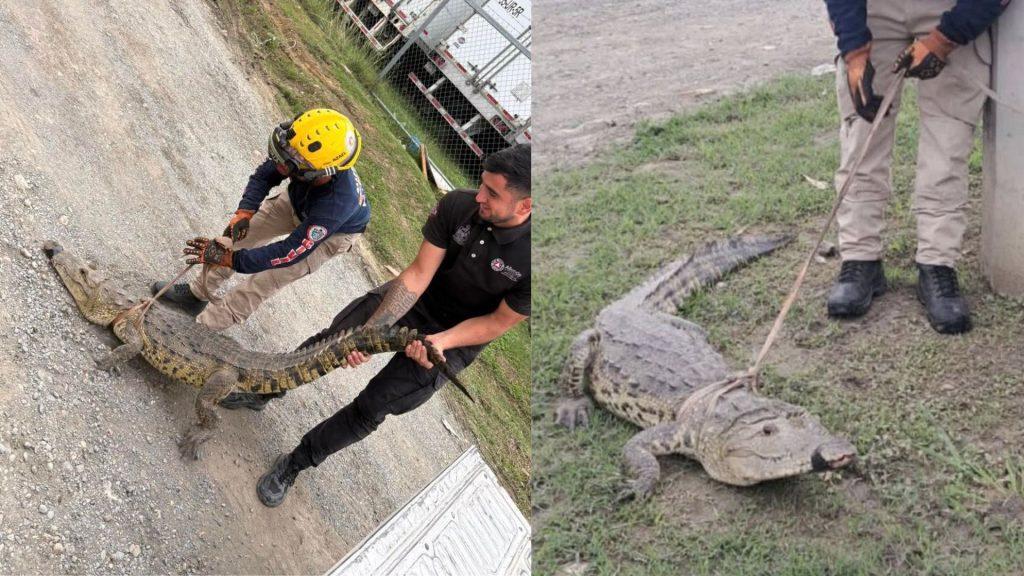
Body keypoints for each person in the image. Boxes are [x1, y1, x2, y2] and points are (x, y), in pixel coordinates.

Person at [249, 143, 532, 507]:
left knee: (373, 407)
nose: (480, 196)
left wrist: (440, 343)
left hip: (459, 336)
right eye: (482, 184)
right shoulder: (459, 205)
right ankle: (264, 391)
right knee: (331, 341)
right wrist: (370, 335)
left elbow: (497, 323)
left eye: (492, 194)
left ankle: (296, 463)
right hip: (418, 299)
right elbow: (416, 275)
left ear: (525, 206)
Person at [823, 0, 1008, 334]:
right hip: (873, 10)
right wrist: (853, 50)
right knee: (862, 133)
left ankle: (937, 263)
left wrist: (946, 38)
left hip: (953, 6)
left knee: (948, 141)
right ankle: (859, 256)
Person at [154, 108, 370, 339]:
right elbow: (266, 174)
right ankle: (196, 295)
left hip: (332, 234)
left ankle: (194, 333)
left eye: (290, 164)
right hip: (299, 199)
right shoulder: (301, 152)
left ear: (319, 173)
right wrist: (245, 211)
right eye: (285, 151)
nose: (281, 165)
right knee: (239, 238)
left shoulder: (337, 204)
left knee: (266, 280)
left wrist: (234, 260)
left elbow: (289, 252)